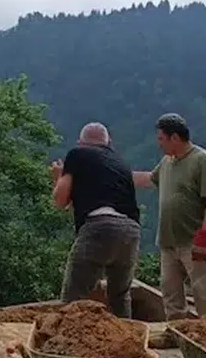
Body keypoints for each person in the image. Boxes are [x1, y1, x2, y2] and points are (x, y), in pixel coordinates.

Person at [132, 113, 206, 320]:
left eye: (161, 139)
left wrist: (205, 236)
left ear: (174, 137)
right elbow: (149, 179)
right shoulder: (167, 162)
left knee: (204, 291)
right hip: (169, 241)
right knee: (170, 291)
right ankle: (176, 332)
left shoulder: (202, 160)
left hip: (194, 239)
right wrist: (118, 175)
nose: (159, 144)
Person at [50, 122, 142, 317]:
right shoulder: (121, 162)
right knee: (120, 295)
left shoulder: (77, 154)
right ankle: (126, 340)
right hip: (131, 231)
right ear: (109, 143)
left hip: (100, 227)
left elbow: (60, 201)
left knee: (74, 298)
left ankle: (67, 342)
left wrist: (58, 177)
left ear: (80, 143)